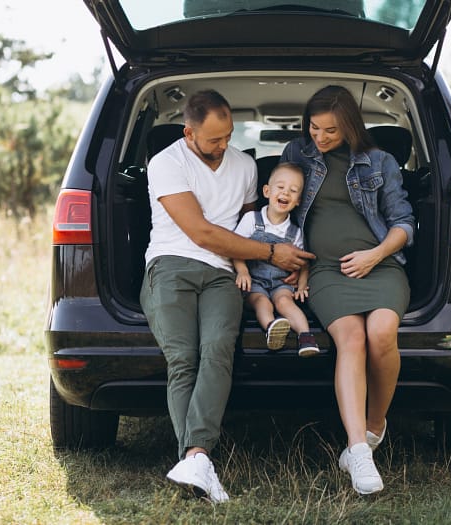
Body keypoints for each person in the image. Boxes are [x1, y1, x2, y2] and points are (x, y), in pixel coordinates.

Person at [139, 89, 315, 504]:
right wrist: (272, 253)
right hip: (170, 264)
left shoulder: (245, 165)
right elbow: (200, 232)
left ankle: (194, 459)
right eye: (214, 139)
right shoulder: (167, 163)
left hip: (223, 272)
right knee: (183, 358)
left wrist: (272, 262)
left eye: (229, 136)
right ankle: (197, 458)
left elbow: (251, 225)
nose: (223, 146)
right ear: (189, 133)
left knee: (218, 348)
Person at [280, 85, 415, 495]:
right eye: (314, 128)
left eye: (331, 132)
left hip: (381, 266)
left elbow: (405, 224)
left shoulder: (380, 161)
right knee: (351, 339)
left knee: (380, 335)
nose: (319, 138)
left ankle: (375, 427)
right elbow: (278, 203)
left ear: (351, 128)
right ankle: (358, 451)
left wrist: (374, 255)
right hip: (325, 271)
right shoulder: (297, 155)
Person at [232, 162, 320, 357]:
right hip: (253, 282)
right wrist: (243, 271)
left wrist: (302, 284)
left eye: (293, 190)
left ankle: (305, 337)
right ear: (266, 191)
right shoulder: (251, 219)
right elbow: (236, 249)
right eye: (280, 187)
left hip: (281, 282)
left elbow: (304, 261)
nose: (286, 193)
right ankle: (272, 327)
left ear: (298, 201)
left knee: (284, 301)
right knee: (261, 301)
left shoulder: (295, 232)